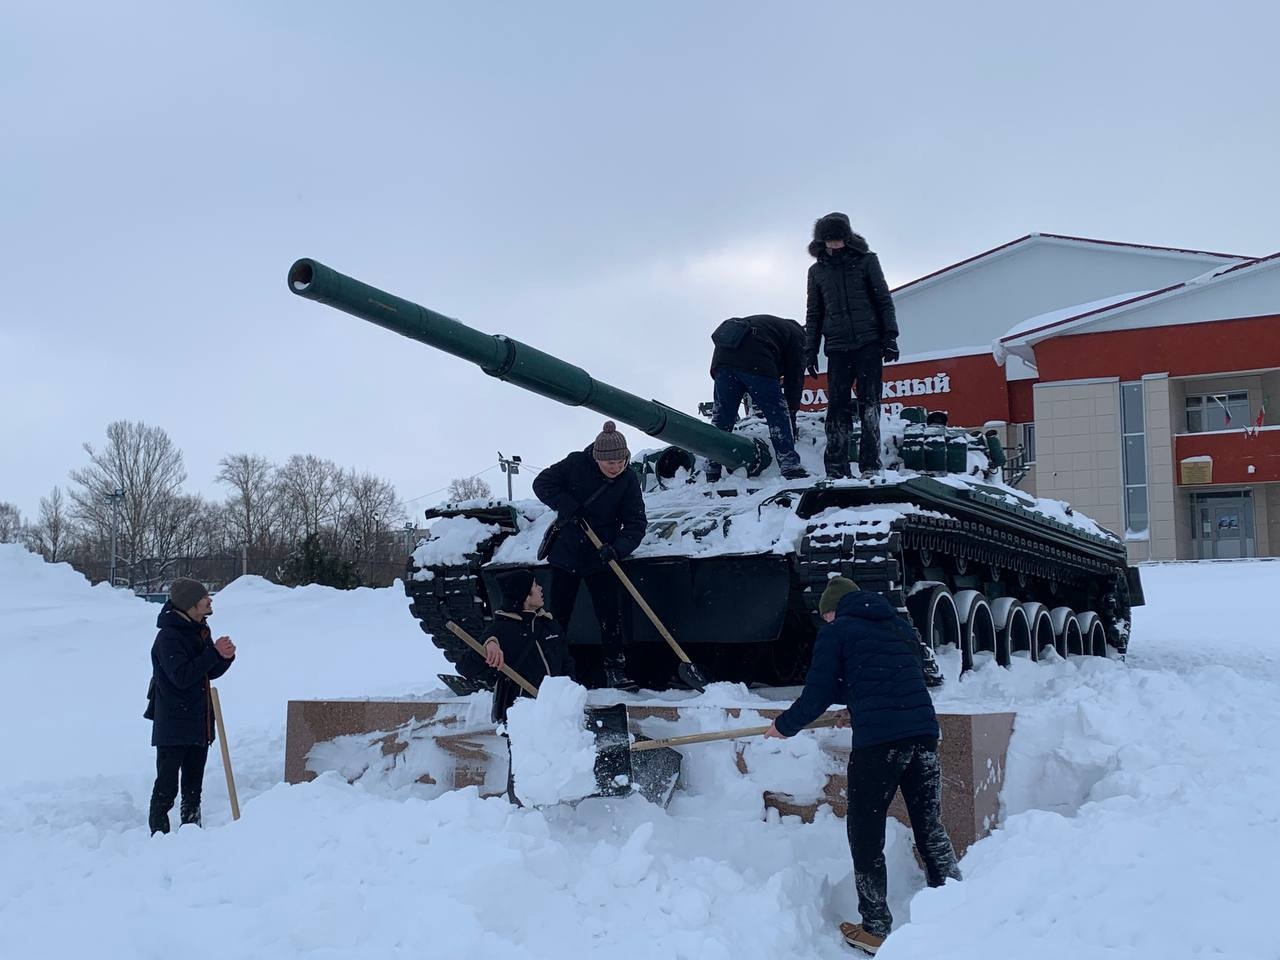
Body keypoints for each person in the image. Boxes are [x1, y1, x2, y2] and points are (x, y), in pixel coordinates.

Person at [765, 577, 960, 955]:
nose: (826, 622)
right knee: (929, 826)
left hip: (879, 747)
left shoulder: (837, 631)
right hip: (923, 736)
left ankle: (876, 929)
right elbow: (895, 673)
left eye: (826, 616)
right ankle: (957, 911)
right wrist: (857, 703)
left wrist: (783, 726)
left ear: (832, 610)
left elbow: (818, 692)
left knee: (866, 836)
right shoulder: (897, 625)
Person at [532, 420, 647, 689]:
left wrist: (618, 548)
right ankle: (553, 668)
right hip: (567, 553)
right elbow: (542, 483)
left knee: (610, 616)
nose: (616, 468)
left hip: (601, 554)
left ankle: (615, 669)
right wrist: (566, 505)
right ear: (597, 458)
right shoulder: (575, 464)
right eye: (610, 463)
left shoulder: (628, 480)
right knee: (558, 616)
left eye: (620, 462)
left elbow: (635, 522)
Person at [804, 212, 900, 479]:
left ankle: (870, 464)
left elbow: (883, 300)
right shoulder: (817, 271)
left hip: (868, 343)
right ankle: (836, 468)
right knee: (837, 407)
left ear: (846, 238)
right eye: (829, 241)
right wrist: (809, 349)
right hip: (836, 347)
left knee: (870, 404)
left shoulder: (867, 261)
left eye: (838, 240)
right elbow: (814, 313)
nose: (834, 245)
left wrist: (889, 336)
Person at [146, 578, 235, 835]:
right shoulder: (168, 637)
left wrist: (224, 657)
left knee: (193, 786)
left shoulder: (199, 629)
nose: (210, 600)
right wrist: (213, 654)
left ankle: (191, 832)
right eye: (204, 596)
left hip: (199, 721)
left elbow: (207, 672)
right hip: (173, 723)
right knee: (167, 785)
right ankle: (159, 834)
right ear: (189, 604)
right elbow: (182, 676)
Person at [706, 314, 810, 482]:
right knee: (776, 411)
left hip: (722, 360)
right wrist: (791, 410)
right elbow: (794, 379)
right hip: (754, 359)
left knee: (722, 416)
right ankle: (789, 464)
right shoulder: (798, 337)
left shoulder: (772, 326)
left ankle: (712, 466)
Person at [482, 567, 575, 724]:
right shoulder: (500, 629)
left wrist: (570, 695)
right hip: (522, 714)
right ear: (524, 595)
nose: (540, 588)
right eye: (534, 585)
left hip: (556, 711)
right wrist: (487, 643)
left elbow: (566, 663)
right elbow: (467, 668)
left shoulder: (549, 625)